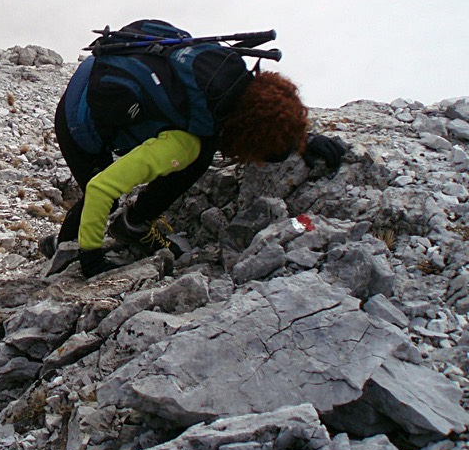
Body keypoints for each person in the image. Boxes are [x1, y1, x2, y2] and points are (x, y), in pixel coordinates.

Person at [47, 25, 346, 278]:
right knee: (101, 201)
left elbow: (264, 114)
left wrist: (300, 139)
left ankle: (132, 225)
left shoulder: (231, 82)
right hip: (78, 120)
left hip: (109, 68)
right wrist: (92, 259)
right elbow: (102, 189)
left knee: (202, 154)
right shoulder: (184, 142)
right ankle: (63, 251)